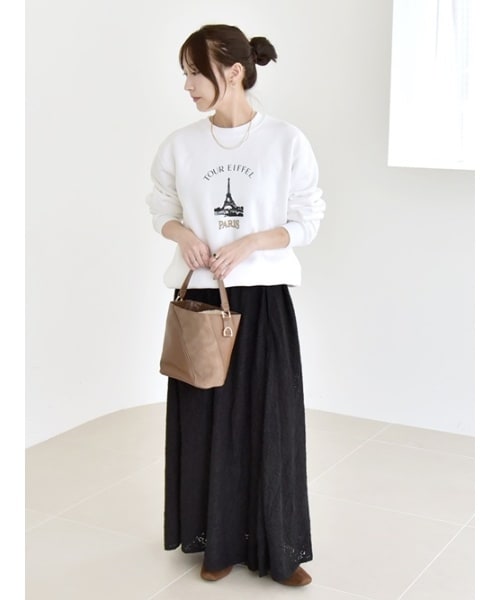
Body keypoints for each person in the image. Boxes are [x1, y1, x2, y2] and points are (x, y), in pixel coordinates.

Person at [146, 24, 325, 587]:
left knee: (271, 422)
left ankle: (279, 546)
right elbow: (161, 208)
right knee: (206, 424)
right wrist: (183, 235)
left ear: (234, 72)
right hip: (202, 301)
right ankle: (215, 541)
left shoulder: (285, 140)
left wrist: (250, 243)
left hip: (265, 298)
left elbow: (308, 218)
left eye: (195, 73)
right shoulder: (180, 145)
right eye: (184, 74)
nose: (187, 85)